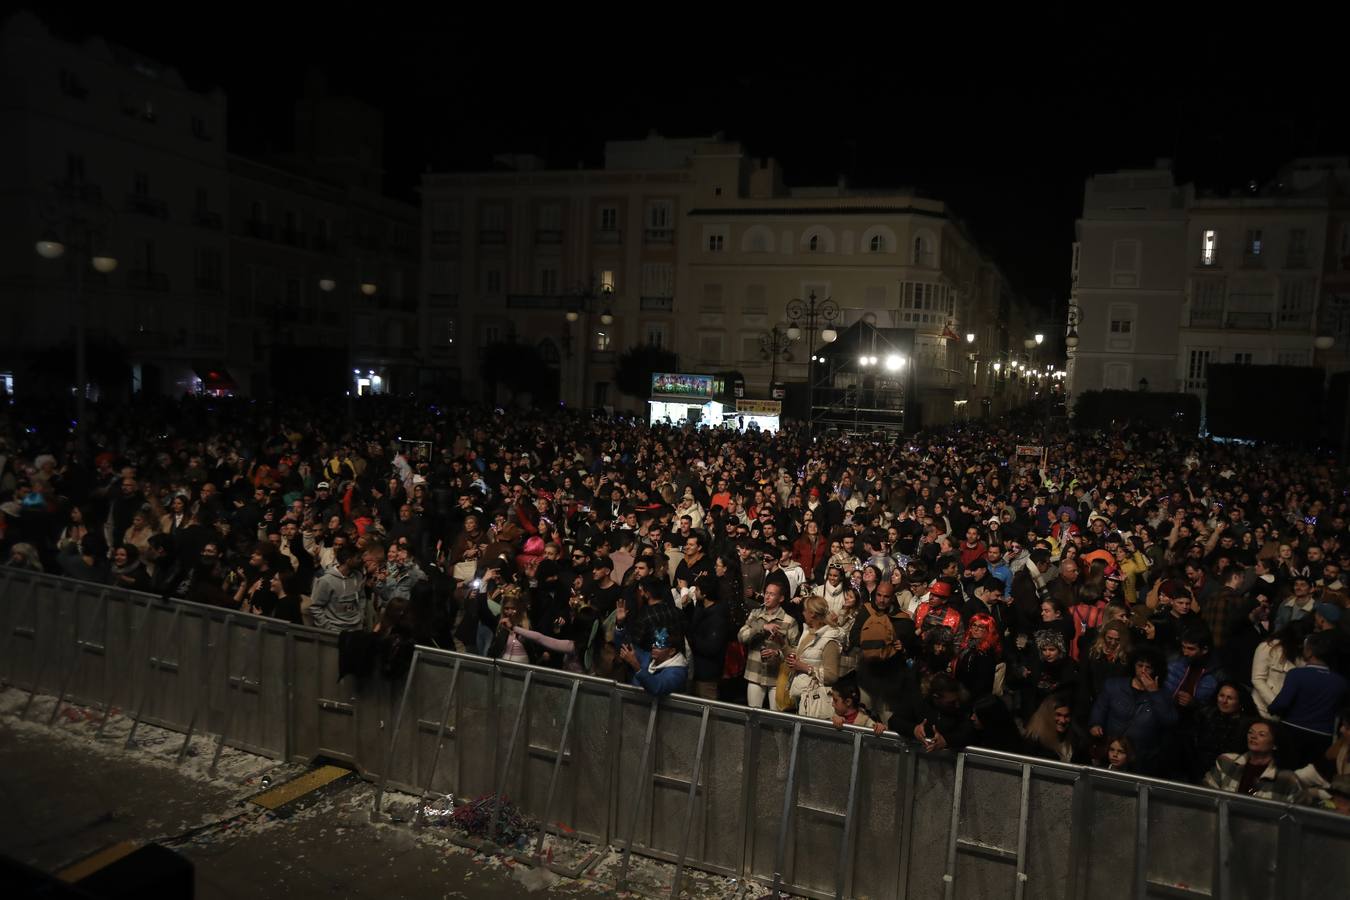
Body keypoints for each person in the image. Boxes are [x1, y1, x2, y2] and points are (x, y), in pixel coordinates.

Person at [1090, 645, 1179, 775]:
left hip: (1142, 758)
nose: (1143, 671)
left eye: (1148, 667)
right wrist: (1095, 723)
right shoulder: (1114, 685)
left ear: (1155, 670)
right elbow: (1100, 707)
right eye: (1140, 665)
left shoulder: (1163, 695)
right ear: (1133, 665)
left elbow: (1170, 721)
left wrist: (1154, 693)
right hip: (1112, 751)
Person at [1268, 631, 1350, 768]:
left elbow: (1281, 703)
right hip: (1323, 737)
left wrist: (1271, 709)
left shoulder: (1296, 674)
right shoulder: (1341, 682)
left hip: (1292, 733)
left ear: (1310, 651)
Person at [1203, 720, 1321, 802]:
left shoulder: (1287, 779)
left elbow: (1298, 817)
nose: (1253, 736)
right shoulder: (1226, 761)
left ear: (1275, 744)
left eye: (1261, 734)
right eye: (1250, 732)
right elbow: (1205, 794)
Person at [738, 575, 800, 710]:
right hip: (755, 673)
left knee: (776, 721)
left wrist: (778, 654)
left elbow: (796, 650)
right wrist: (761, 628)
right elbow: (741, 636)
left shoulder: (789, 621)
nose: (767, 597)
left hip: (777, 677)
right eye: (766, 593)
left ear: (781, 598)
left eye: (772, 594)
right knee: (753, 715)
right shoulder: (755, 615)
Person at [309, 544, 368, 633]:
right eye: (358, 558)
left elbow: (361, 598)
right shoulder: (326, 581)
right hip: (335, 629)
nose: (361, 560)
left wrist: (361, 617)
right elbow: (315, 607)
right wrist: (328, 628)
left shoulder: (358, 576)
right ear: (348, 560)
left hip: (355, 628)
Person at [1024, 693, 1091, 764]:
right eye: (1058, 715)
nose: (1063, 720)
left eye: (1066, 716)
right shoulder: (1034, 740)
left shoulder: (1076, 739)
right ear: (1048, 715)